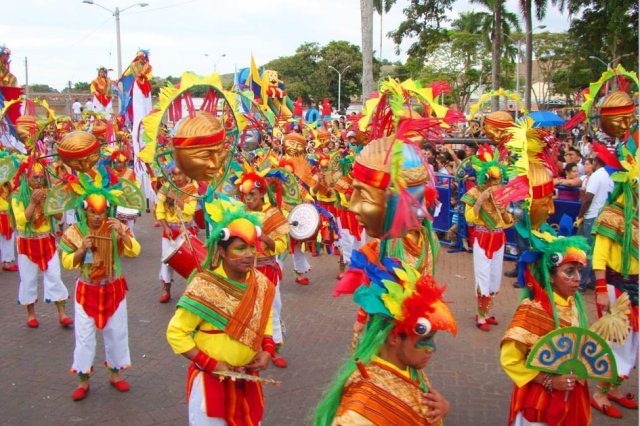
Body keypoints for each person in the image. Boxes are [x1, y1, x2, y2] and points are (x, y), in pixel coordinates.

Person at [166, 207, 276, 426]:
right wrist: (211, 364)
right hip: (210, 384)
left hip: (247, 381)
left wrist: (267, 351)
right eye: (240, 248)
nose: (249, 255)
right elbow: (176, 333)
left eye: (251, 248)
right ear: (222, 251)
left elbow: (266, 319)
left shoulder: (260, 284)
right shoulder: (204, 286)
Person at [316, 258, 457, 425]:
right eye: (425, 339)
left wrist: (443, 408)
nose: (432, 348)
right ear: (394, 337)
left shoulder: (408, 366)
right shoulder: (362, 407)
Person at [58, 174, 141, 401]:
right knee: (84, 336)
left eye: (101, 212)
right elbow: (66, 262)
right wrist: (80, 251)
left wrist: (123, 233)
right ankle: (83, 379)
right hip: (86, 290)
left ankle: (115, 374)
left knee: (116, 333)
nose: (97, 217)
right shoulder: (75, 231)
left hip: (113, 287)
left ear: (107, 210)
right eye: (92, 212)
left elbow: (135, 251)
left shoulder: (116, 227)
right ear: (85, 210)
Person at [501, 235, 592, 425]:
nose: (577, 279)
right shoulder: (533, 310)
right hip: (539, 400)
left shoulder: (574, 303)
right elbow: (510, 359)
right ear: (550, 276)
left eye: (579, 271)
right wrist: (547, 380)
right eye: (569, 272)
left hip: (571, 392)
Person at [236, 168, 291, 368]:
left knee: (272, 308)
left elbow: (283, 245)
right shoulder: (240, 213)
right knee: (248, 309)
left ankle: (274, 348)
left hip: (267, 270)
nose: (249, 198)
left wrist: (265, 238)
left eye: (253, 195)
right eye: (246, 195)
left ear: (262, 194)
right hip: (245, 270)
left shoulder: (272, 214)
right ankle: (250, 347)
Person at [462, 145, 514, 331]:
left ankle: (487, 312)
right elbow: (469, 218)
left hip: (499, 238)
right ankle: (481, 315)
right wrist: (480, 200)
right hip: (482, 238)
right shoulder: (475, 192)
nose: (495, 183)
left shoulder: (502, 193)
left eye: (498, 179)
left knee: (494, 277)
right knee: (482, 277)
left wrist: (503, 211)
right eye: (492, 179)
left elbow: (509, 221)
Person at [156, 167, 198, 303]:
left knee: (191, 262)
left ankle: (193, 292)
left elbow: (190, 211)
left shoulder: (192, 189)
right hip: (169, 230)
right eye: (175, 174)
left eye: (181, 173)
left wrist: (175, 197)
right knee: (166, 262)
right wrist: (165, 227)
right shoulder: (166, 188)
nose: (178, 177)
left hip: (185, 230)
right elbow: (160, 210)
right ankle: (166, 291)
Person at [574, 155, 613, 291]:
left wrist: (580, 216)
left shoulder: (597, 176)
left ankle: (581, 283)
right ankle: (592, 280)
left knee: (587, 251)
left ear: (596, 163)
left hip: (592, 217)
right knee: (594, 250)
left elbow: (589, 198)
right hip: (600, 216)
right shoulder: (608, 176)